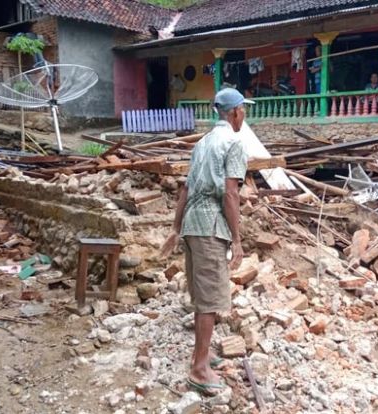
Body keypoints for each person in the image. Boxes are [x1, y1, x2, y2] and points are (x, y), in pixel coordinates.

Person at [160, 88, 253, 396]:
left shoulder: (201, 143)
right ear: (236, 112)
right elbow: (230, 194)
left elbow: (186, 189)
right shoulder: (233, 143)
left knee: (202, 295)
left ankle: (202, 354)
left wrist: (176, 228)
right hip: (211, 225)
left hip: (192, 224)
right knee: (211, 299)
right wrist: (237, 238)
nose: (244, 115)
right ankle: (200, 369)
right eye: (244, 110)